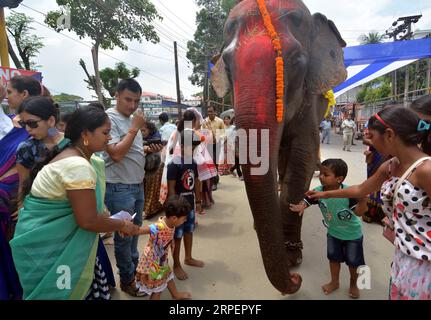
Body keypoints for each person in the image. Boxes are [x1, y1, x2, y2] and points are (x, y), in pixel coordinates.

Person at [9, 106, 139, 299]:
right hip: (55, 253)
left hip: (49, 247)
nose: (109, 138)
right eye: (105, 132)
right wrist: (122, 224)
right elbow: (88, 221)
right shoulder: (77, 165)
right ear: (85, 133)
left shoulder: (74, 156)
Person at [306, 106, 431, 300]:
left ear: (389, 134)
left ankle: (356, 285)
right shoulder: (390, 165)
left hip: (425, 261)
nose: (368, 141)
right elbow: (360, 190)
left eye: (371, 136)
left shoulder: (426, 170)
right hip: (403, 255)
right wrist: (324, 195)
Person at [103, 79, 162, 297]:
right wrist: (135, 128)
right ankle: (127, 280)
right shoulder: (109, 118)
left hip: (135, 186)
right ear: (116, 95)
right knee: (124, 237)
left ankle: (134, 273)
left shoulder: (129, 120)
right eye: (128, 99)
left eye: (136, 101)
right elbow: (116, 153)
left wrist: (146, 149)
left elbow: (128, 150)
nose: (132, 105)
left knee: (134, 234)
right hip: (120, 187)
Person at [290, 159, 366, 299]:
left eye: (326, 174)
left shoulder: (347, 193)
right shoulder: (319, 191)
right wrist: (302, 206)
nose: (321, 177)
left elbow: (359, 213)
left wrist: (363, 201)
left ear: (339, 179)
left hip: (352, 235)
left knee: (353, 263)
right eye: (320, 173)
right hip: (333, 233)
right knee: (333, 259)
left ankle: (353, 284)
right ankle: (335, 282)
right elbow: (308, 200)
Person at [0, 76, 42, 300]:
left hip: (30, 201)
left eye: (9, 91)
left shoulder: (31, 126)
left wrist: (25, 200)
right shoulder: (11, 122)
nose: (7, 95)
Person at [135, 195, 192, 299]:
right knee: (158, 290)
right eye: (184, 219)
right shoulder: (159, 226)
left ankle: (175, 294)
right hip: (153, 264)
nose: (184, 221)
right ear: (174, 218)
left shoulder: (171, 223)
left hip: (161, 261)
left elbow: (169, 235)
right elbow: (141, 230)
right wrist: (127, 230)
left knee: (168, 276)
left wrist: (172, 242)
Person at [16, 97, 67, 208]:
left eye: (32, 123)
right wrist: (21, 207)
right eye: (23, 124)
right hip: (38, 208)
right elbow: (24, 183)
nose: (28, 129)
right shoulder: (26, 148)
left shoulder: (72, 143)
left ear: (51, 121)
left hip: (70, 204)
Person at [167, 129, 204, 280]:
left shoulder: (193, 163)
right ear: (181, 145)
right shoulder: (174, 163)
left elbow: (196, 182)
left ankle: (188, 257)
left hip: (190, 204)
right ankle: (176, 264)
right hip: (178, 206)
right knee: (177, 235)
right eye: (190, 146)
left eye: (195, 147)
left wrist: (198, 201)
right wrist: (174, 209)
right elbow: (171, 187)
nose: (193, 149)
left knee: (189, 231)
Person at [141, 120, 164, 218]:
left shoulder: (155, 139)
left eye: (143, 130)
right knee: (146, 190)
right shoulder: (141, 140)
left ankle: (149, 210)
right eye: (140, 131)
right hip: (146, 168)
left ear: (150, 130)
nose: (142, 133)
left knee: (152, 190)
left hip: (155, 168)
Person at [202, 106, 225, 190]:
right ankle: (214, 179)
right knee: (210, 163)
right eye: (208, 112)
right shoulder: (205, 122)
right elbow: (203, 133)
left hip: (217, 144)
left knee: (215, 163)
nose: (209, 113)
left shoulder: (220, 121)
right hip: (208, 145)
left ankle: (214, 182)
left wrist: (217, 137)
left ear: (215, 112)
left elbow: (223, 134)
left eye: (211, 111)